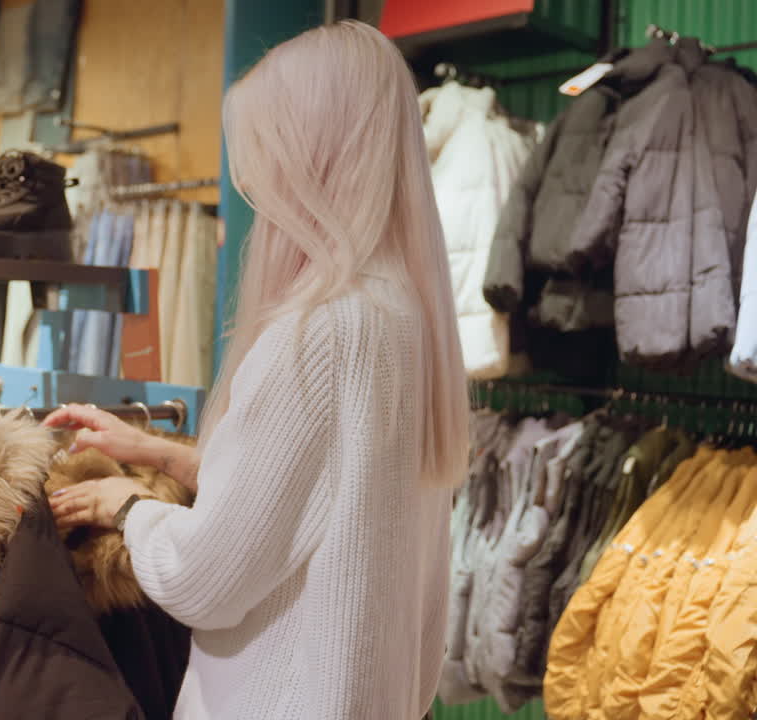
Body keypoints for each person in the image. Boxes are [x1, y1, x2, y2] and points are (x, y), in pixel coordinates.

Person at [45, 20, 468, 719]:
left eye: (267, 150)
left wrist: (128, 507)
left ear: (309, 154)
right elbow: (318, 502)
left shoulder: (319, 331)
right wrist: (163, 457)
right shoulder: (403, 313)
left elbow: (208, 577)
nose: (258, 181)